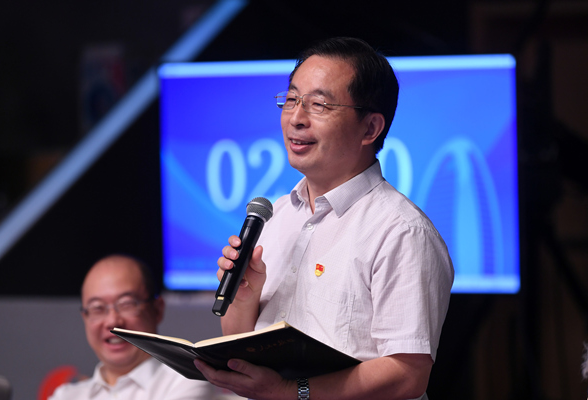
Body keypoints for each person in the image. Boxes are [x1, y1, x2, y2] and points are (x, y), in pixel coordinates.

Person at [194, 37, 455, 400]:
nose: (296, 118)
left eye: (318, 105)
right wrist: (243, 298)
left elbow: (406, 374)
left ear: (370, 128)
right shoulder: (277, 214)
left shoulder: (401, 231)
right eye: (291, 100)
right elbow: (241, 343)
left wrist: (293, 392)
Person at [49, 254, 217, 400]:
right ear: (85, 318)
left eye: (126, 304)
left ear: (157, 310)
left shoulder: (186, 382)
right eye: (98, 308)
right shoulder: (66, 395)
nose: (112, 321)